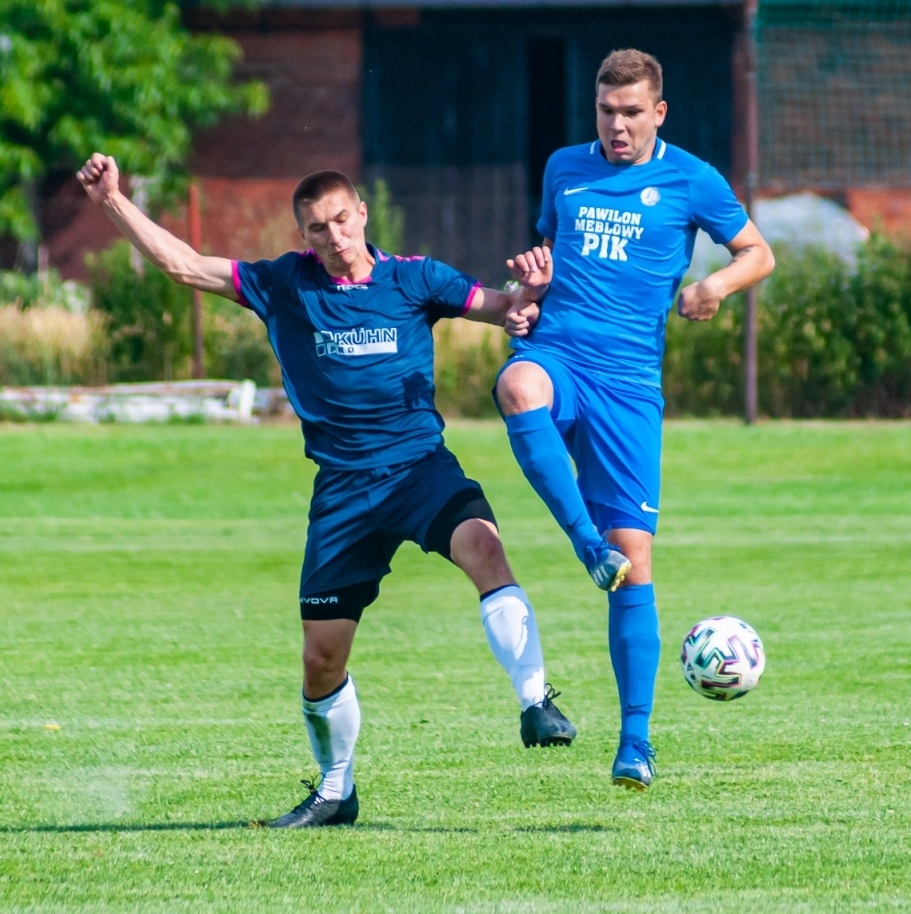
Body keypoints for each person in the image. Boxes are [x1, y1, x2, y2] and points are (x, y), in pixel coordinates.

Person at [75, 156, 576, 828]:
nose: (334, 236)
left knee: (484, 547)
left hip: (420, 470)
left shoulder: (415, 277)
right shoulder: (284, 284)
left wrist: (526, 300)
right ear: (303, 235)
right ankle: (336, 792)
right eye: (318, 228)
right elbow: (184, 266)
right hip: (343, 494)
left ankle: (537, 702)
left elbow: (500, 309)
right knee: (320, 660)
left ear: (362, 214)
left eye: (342, 219)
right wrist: (113, 200)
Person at [493, 49, 776, 790]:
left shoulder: (691, 178)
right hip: (559, 354)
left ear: (659, 112)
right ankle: (584, 544)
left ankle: (636, 744)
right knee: (518, 387)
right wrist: (527, 292)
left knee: (636, 563)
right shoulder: (564, 169)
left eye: (630, 113)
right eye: (605, 112)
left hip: (628, 387)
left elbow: (758, 253)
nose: (616, 127)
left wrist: (714, 282)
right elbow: (547, 256)